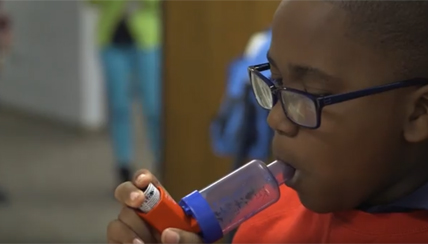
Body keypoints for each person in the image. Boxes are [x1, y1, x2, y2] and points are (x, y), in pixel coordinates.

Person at [106, 0, 428, 243]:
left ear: (418, 113)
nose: (275, 118)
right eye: (275, 81)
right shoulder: (267, 217)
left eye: (310, 94)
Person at [88, 0, 163, 183]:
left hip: (148, 40)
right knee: (119, 106)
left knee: (153, 107)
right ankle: (123, 165)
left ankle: (161, 161)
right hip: (112, 40)